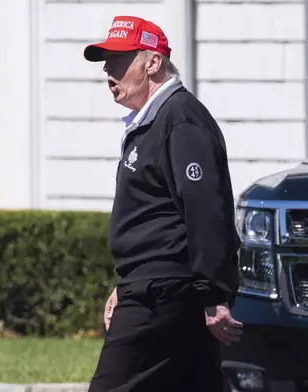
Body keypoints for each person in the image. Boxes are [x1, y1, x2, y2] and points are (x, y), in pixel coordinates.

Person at [83, 15, 243, 392]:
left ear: (152, 62)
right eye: (107, 61)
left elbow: (206, 212)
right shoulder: (151, 122)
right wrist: (128, 282)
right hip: (155, 286)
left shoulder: (180, 119)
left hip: (165, 293)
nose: (108, 69)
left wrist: (213, 295)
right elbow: (154, 217)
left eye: (119, 60)